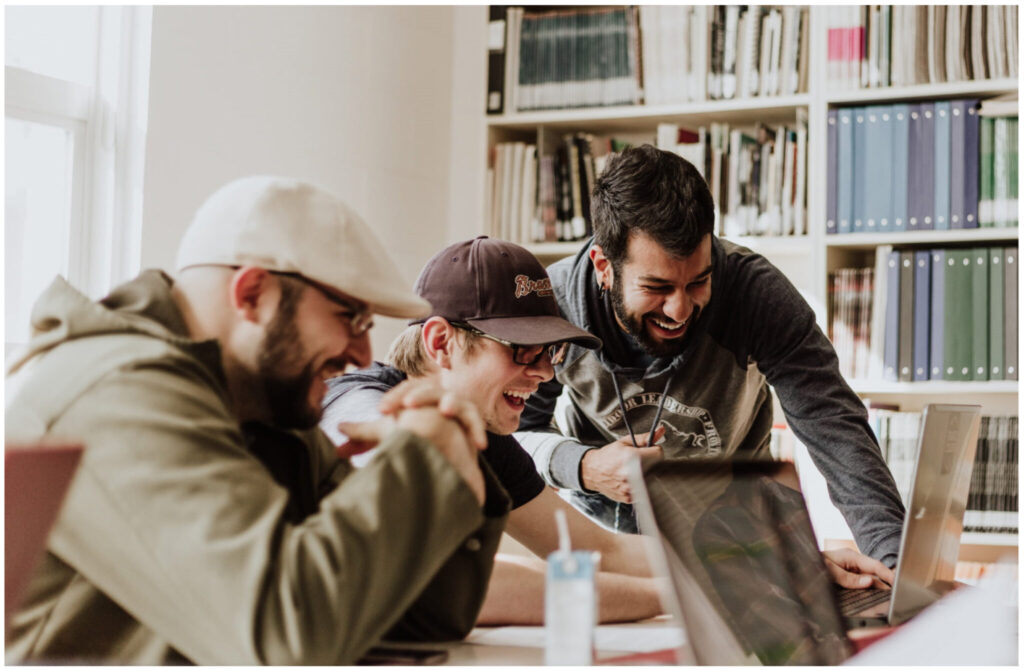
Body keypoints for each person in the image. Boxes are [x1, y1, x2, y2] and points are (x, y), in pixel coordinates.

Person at [4, 177, 507, 664]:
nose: (362, 354)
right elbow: (286, 639)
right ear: (252, 295)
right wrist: (421, 461)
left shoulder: (262, 402)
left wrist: (455, 459)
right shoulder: (117, 393)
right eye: (350, 318)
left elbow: (416, 617)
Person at [321, 236, 893, 625]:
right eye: (523, 351)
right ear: (441, 342)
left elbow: (596, 550)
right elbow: (454, 581)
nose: (545, 373)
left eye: (550, 353)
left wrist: (776, 565)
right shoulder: (361, 409)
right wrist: (714, 593)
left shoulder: (483, 435)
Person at [515, 144, 907, 569]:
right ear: (603, 266)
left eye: (698, 282)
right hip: (606, 544)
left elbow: (836, 430)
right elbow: (515, 434)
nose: (679, 310)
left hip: (737, 536)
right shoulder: (553, 308)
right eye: (657, 288)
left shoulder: (756, 295)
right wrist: (585, 466)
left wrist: (894, 568)